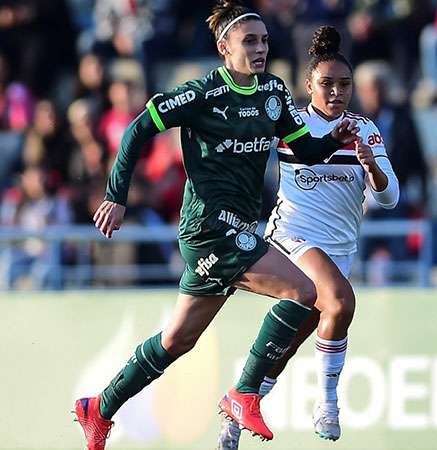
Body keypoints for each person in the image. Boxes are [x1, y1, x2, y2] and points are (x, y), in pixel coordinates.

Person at [72, 2, 360, 449]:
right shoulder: (202, 94)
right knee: (305, 291)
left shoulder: (274, 93)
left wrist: (332, 142)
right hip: (209, 227)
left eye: (264, 40)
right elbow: (136, 130)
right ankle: (245, 393)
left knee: (178, 339)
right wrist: (116, 194)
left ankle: (99, 408)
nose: (260, 49)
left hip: (240, 225)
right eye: (249, 41)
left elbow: (304, 152)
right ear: (224, 48)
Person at [217, 26, 399, 448]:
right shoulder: (292, 122)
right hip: (292, 237)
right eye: (327, 84)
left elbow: (389, 197)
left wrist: (370, 166)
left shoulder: (365, 130)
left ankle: (238, 402)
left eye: (344, 84)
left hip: (339, 250)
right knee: (340, 300)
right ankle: (328, 404)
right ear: (309, 85)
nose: (336, 92)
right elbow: (241, 150)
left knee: (290, 345)